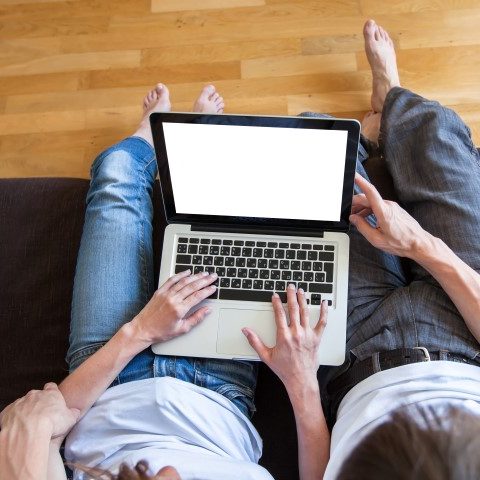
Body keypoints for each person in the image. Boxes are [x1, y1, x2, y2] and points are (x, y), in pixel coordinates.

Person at [1, 17, 480, 480]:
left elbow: (39, 415)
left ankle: (157, 138)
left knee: (121, 178)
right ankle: (387, 100)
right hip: (445, 345)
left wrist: (139, 332)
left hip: (115, 369)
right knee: (376, 144)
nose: (170, 471)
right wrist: (420, 245)